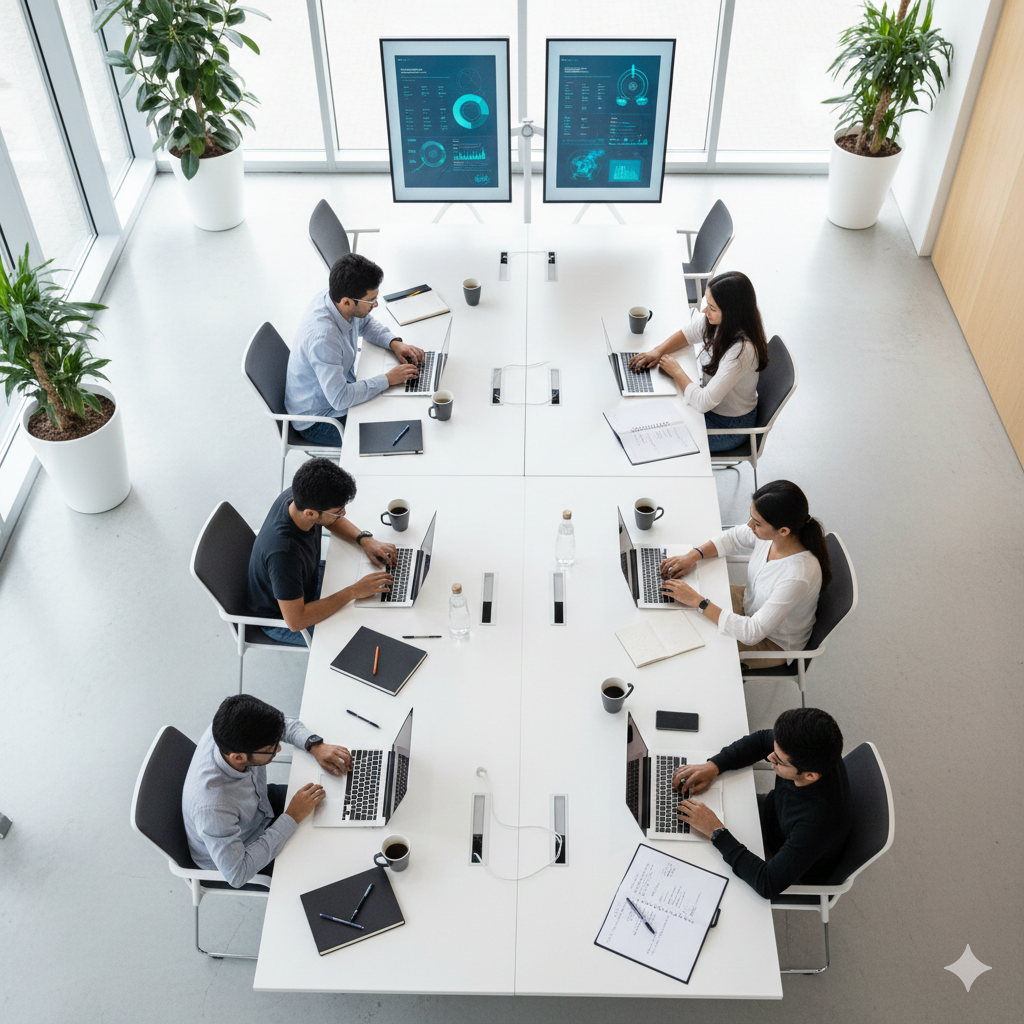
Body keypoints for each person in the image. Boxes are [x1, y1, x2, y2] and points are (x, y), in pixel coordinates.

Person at [672, 707, 851, 900]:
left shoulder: (816, 822)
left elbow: (767, 883)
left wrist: (716, 831)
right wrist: (714, 765)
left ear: (809, 775)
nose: (769, 757)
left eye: (779, 761)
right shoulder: (804, 748)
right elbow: (759, 741)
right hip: (771, 816)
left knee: (691, 873)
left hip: (778, 856)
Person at [182, 693, 352, 887]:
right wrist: (291, 817)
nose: (278, 749)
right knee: (330, 870)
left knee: (337, 806)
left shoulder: (232, 728)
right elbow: (237, 873)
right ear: (239, 758)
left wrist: (314, 745)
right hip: (244, 850)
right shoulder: (213, 808)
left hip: (259, 807)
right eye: (271, 748)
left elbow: (279, 724)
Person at [660, 480, 831, 669]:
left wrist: (699, 601)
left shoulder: (797, 575)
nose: (750, 525)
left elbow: (752, 632)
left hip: (770, 641)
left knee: (691, 642)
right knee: (677, 609)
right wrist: (693, 556)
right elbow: (732, 537)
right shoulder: (774, 536)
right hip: (749, 604)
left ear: (783, 531)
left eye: (757, 523)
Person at [247, 457, 395, 645]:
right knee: (365, 638)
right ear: (310, 513)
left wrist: (364, 540)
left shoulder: (300, 496)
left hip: (308, 580)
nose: (343, 515)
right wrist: (353, 591)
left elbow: (330, 519)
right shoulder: (284, 554)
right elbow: (296, 621)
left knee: (379, 605)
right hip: (284, 617)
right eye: (338, 511)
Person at [285, 252, 425, 444]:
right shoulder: (324, 338)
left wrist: (394, 343)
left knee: (395, 407)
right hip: (321, 419)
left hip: (339, 392)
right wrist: (388, 379)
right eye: (371, 301)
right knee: (395, 435)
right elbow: (341, 398)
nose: (375, 304)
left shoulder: (334, 298)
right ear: (347, 302)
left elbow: (365, 324)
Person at [629, 271, 769, 452]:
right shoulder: (722, 322)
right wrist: (657, 351)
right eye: (707, 303)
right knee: (651, 417)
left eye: (712, 308)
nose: (704, 311)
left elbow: (704, 402)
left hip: (727, 425)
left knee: (656, 439)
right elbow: (689, 333)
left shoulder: (741, 352)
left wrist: (677, 372)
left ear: (731, 313)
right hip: (711, 407)